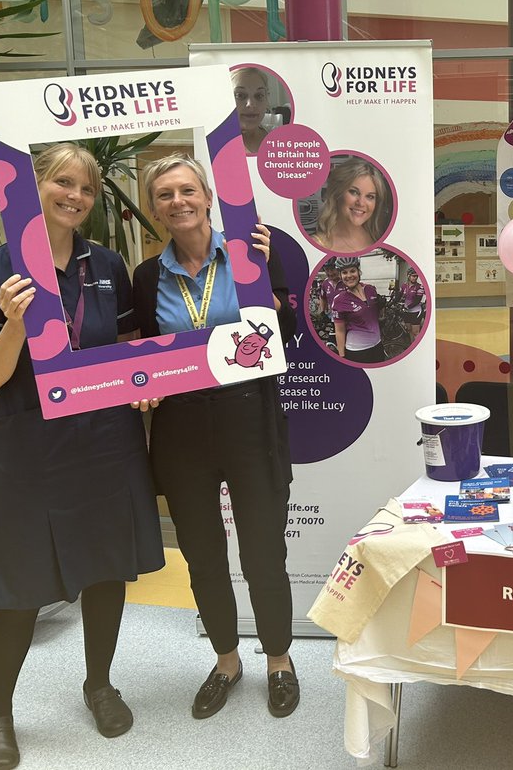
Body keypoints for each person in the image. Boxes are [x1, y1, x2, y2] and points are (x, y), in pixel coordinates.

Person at [0, 143, 164, 769]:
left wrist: (145, 388)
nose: (74, 196)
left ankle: (99, 684)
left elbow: (130, 350)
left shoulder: (106, 265)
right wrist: (15, 325)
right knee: (18, 588)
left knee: (106, 571)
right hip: (29, 447)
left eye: (85, 187)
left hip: (105, 443)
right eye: (62, 182)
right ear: (33, 185)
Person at [130, 154, 300, 720]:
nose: (177, 202)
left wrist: (269, 292)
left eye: (186, 190)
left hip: (250, 419)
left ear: (207, 195)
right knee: (202, 555)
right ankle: (227, 661)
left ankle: (279, 660)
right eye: (163, 195)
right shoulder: (147, 276)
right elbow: (144, 352)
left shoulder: (252, 252)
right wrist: (143, 385)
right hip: (181, 429)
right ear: (154, 209)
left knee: (263, 553)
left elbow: (287, 330)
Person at [313, 158, 391, 253]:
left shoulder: (380, 237)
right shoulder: (318, 244)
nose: (361, 203)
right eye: (354, 192)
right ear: (337, 193)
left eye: (370, 196)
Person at [330, 258, 385, 363]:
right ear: (340, 276)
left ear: (359, 272)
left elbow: (374, 315)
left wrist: (381, 308)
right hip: (357, 351)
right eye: (344, 272)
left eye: (352, 271)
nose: (349, 275)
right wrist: (342, 356)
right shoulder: (339, 300)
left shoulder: (371, 290)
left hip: (378, 346)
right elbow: (340, 331)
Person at [231, 66, 273, 154]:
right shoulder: (212, 144)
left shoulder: (280, 140)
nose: (251, 104)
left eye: (259, 96)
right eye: (240, 95)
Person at [399, 267, 426, 340]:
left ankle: (420, 347)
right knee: (409, 330)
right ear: (408, 276)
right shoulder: (404, 285)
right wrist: (392, 303)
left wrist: (407, 307)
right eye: (413, 276)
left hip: (416, 312)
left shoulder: (419, 287)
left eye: (416, 276)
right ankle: (413, 345)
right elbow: (399, 296)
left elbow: (417, 300)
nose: (415, 278)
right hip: (407, 312)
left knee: (415, 332)